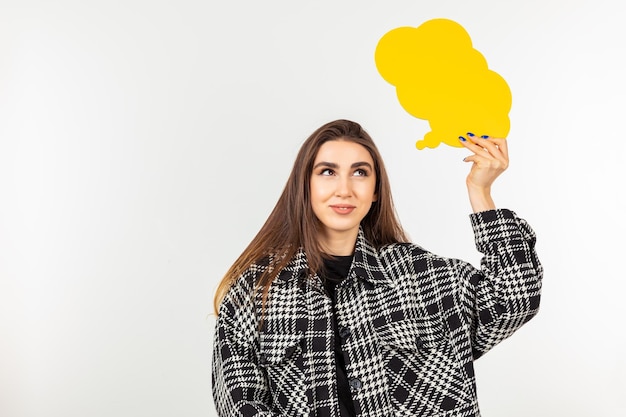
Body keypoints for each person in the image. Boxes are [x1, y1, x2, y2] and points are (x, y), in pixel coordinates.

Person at [211, 119, 542, 417]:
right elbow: (239, 403)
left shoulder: (420, 276)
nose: (344, 189)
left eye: (360, 172)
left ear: (375, 191)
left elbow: (514, 298)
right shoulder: (256, 291)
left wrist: (480, 191)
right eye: (327, 172)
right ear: (305, 186)